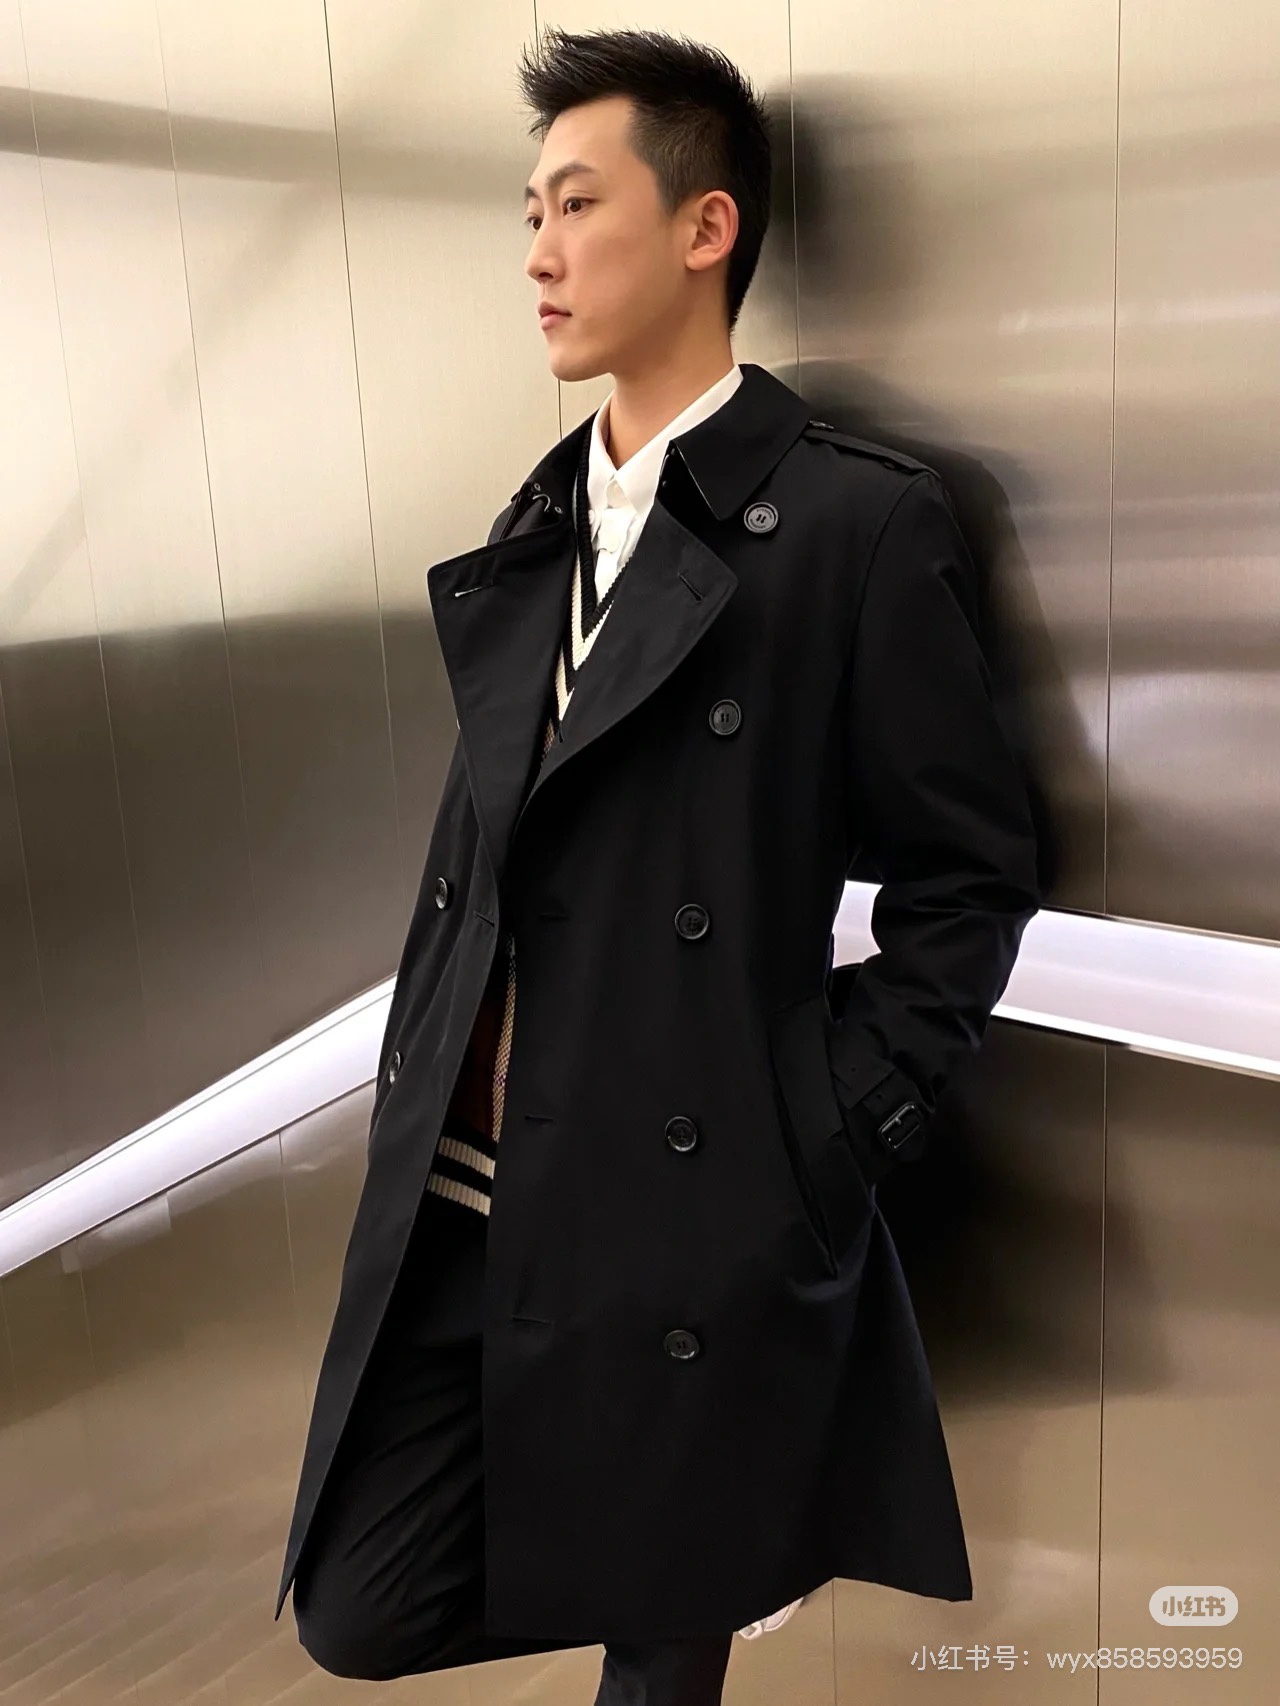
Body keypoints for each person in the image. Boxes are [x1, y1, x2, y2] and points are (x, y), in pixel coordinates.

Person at [276, 24, 1042, 1706]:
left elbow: (969, 876)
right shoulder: (540, 521)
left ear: (706, 228)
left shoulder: (851, 523)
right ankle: (738, 1538)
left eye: (575, 203)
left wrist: (819, 1132)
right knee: (357, 1604)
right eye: (528, 214)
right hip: (474, 1193)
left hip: (690, 1216)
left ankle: (724, 1541)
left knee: (656, 1669)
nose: (537, 254)